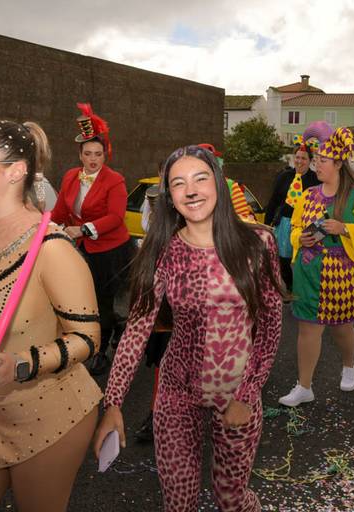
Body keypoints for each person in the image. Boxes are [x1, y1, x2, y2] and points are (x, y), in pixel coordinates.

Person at [94, 145, 284, 511]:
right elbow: (137, 328)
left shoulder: (257, 243)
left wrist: (247, 395)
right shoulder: (162, 250)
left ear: (219, 183)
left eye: (200, 178)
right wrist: (113, 402)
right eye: (178, 183)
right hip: (176, 392)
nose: (191, 191)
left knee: (231, 500)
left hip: (237, 391)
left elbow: (270, 326)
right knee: (178, 502)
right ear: (169, 196)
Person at [0, 119, 102, 511]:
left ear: (16, 171)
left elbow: (87, 339)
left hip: (51, 417)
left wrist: (20, 365)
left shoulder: (53, 249)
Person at [279, 127, 354, 407]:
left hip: (343, 273)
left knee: (342, 328)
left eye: (322, 160)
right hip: (309, 270)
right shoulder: (308, 194)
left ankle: (349, 365)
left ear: (338, 163)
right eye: (316, 160)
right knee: (308, 329)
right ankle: (304, 386)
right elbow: (295, 227)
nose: (316, 165)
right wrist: (300, 238)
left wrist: (344, 228)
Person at [51, 103, 132, 374]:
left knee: (102, 302)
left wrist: (83, 229)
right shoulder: (70, 177)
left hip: (112, 251)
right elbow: (60, 212)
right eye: (88, 154)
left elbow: (116, 217)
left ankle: (101, 350)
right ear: (80, 155)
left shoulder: (114, 179)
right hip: (83, 249)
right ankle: (114, 329)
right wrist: (41, 226)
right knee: (86, 299)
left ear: (105, 155)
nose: (93, 159)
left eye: (98, 154)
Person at [264, 137, 320, 291]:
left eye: (304, 158)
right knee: (282, 260)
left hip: (307, 225)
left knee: (306, 259)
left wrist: (318, 230)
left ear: (310, 161)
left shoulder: (316, 180)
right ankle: (290, 286)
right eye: (297, 157)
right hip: (284, 224)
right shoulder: (284, 177)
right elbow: (274, 201)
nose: (299, 161)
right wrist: (266, 225)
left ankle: (307, 290)